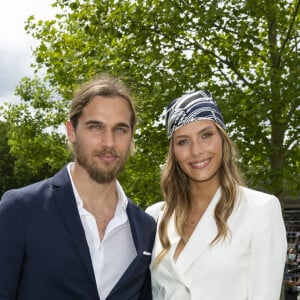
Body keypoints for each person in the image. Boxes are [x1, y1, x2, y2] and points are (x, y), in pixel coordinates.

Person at [0, 75, 156, 300]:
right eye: (95, 127)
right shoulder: (20, 209)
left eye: (120, 129)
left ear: (131, 136)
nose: (109, 142)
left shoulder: (145, 228)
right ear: (71, 131)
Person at [146, 90, 287, 300]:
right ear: (173, 152)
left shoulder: (261, 209)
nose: (196, 151)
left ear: (222, 139)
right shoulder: (156, 215)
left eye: (206, 135)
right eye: (183, 141)